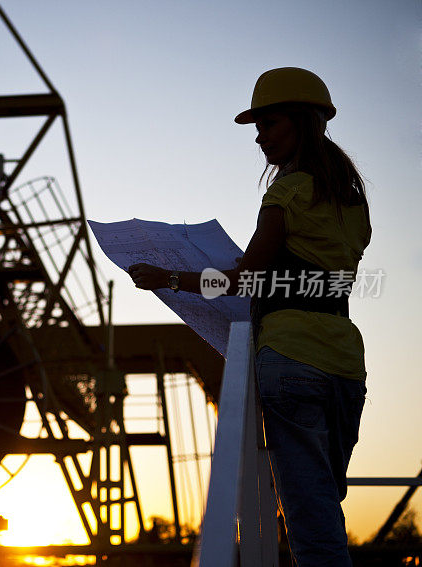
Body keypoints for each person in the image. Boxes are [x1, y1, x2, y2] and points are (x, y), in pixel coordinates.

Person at [128, 67, 370, 566]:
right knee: (324, 503)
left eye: (271, 124)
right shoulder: (353, 202)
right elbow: (327, 278)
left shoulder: (284, 195)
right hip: (346, 364)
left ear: (304, 122)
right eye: (257, 128)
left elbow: (242, 280)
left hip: (290, 361)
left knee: (310, 519)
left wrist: (168, 278)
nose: (261, 138)